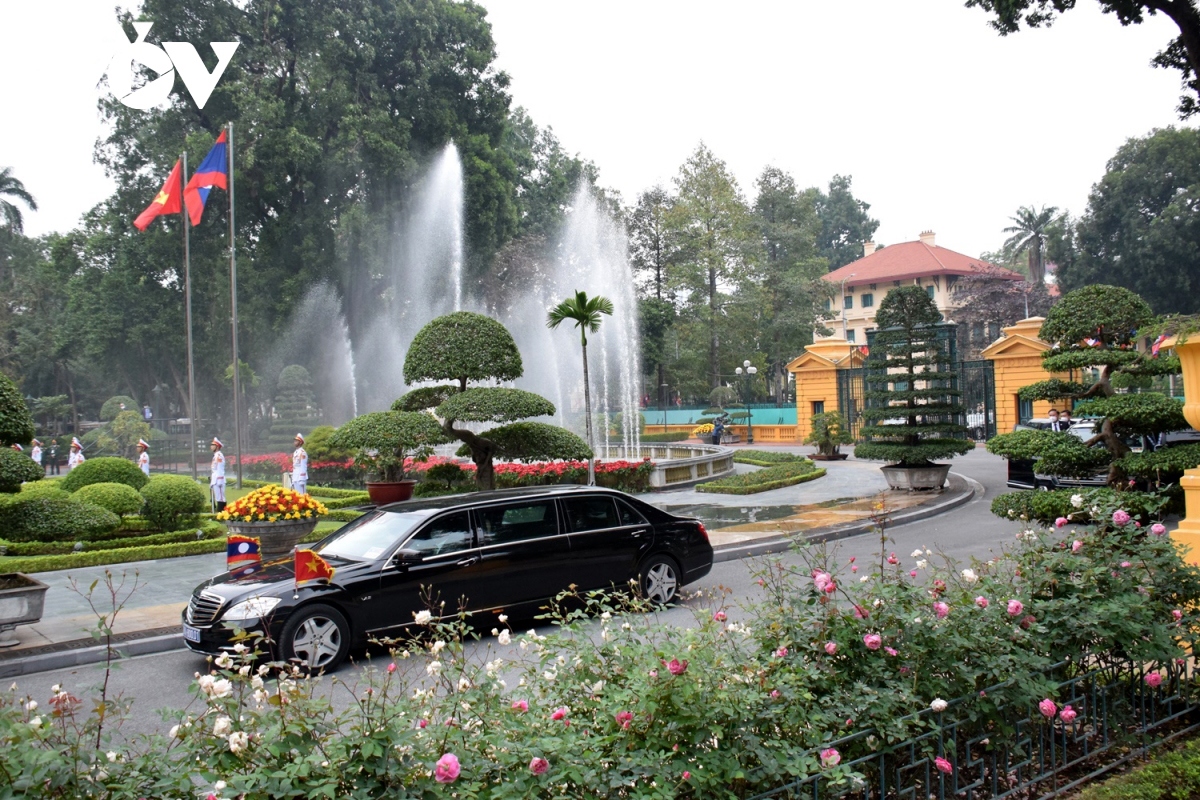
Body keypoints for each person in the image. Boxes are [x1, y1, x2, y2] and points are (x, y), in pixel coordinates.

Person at [210, 437, 226, 513]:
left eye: (213, 445)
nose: (211, 446)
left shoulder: (219, 455)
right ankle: (220, 512)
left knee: (221, 498)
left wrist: (219, 479)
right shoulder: (216, 455)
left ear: (217, 447)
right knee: (218, 497)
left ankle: (222, 512)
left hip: (219, 479)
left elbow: (220, 468)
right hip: (215, 479)